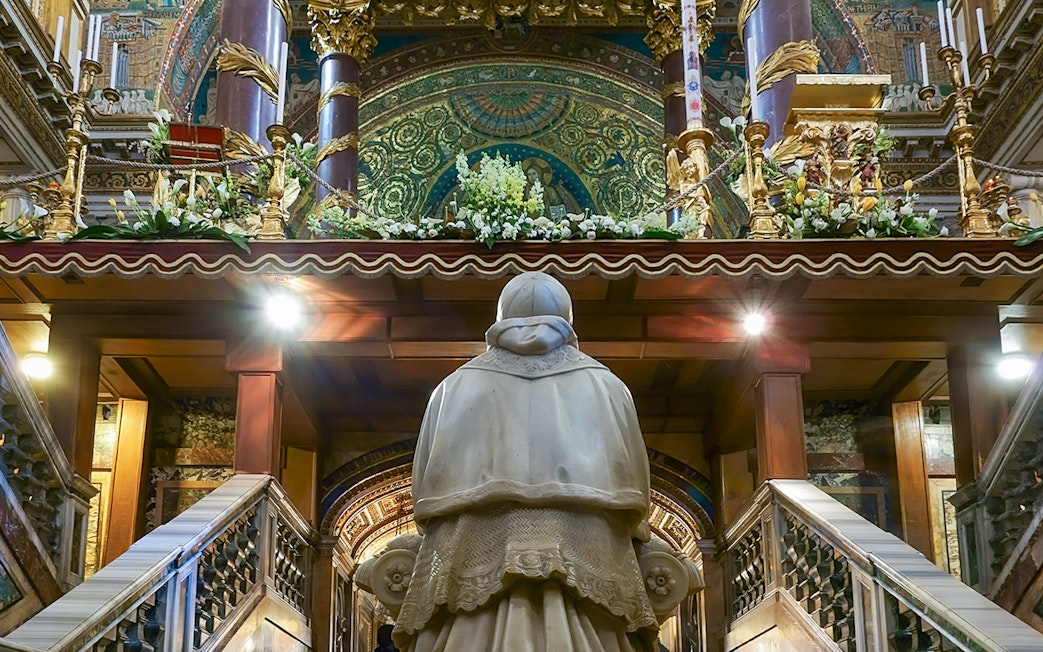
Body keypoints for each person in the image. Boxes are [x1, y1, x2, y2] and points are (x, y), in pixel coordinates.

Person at [394, 272, 658, 652]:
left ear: (502, 315)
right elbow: (636, 484)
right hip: (588, 546)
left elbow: (423, 489)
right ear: (566, 314)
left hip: (471, 545)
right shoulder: (608, 384)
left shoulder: (452, 386)